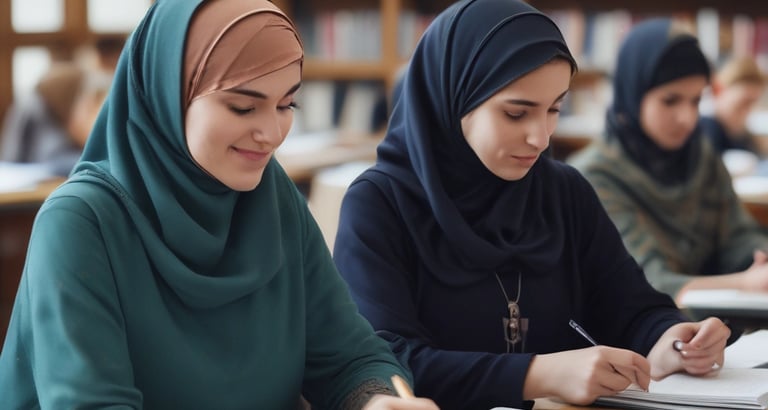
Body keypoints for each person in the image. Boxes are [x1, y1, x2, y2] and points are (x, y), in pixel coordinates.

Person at [0, 1, 439, 409]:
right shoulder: (80, 223)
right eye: (243, 107)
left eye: (288, 103)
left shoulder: (273, 198)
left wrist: (376, 399)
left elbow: (350, 357)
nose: (272, 132)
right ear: (169, 95)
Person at [332, 1, 730, 409]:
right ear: (453, 100)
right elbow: (382, 365)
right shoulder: (380, 203)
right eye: (517, 113)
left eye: (554, 109)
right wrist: (539, 374)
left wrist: (671, 339)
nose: (540, 138)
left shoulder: (564, 191)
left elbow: (632, 307)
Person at [568, 18, 768, 303]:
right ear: (633, 94)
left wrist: (760, 259)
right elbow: (647, 282)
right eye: (670, 100)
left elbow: (737, 234)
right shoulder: (594, 177)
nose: (687, 118)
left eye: (696, 101)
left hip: (716, 333)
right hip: (639, 341)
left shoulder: (699, 155)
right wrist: (745, 284)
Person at [0, 62, 109, 175]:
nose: (101, 121)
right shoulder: (47, 126)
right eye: (92, 109)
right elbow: (57, 162)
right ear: (70, 107)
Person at [700, 56, 768, 157]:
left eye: (752, 103)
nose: (747, 111)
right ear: (718, 90)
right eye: (743, 103)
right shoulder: (706, 129)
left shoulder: (742, 135)